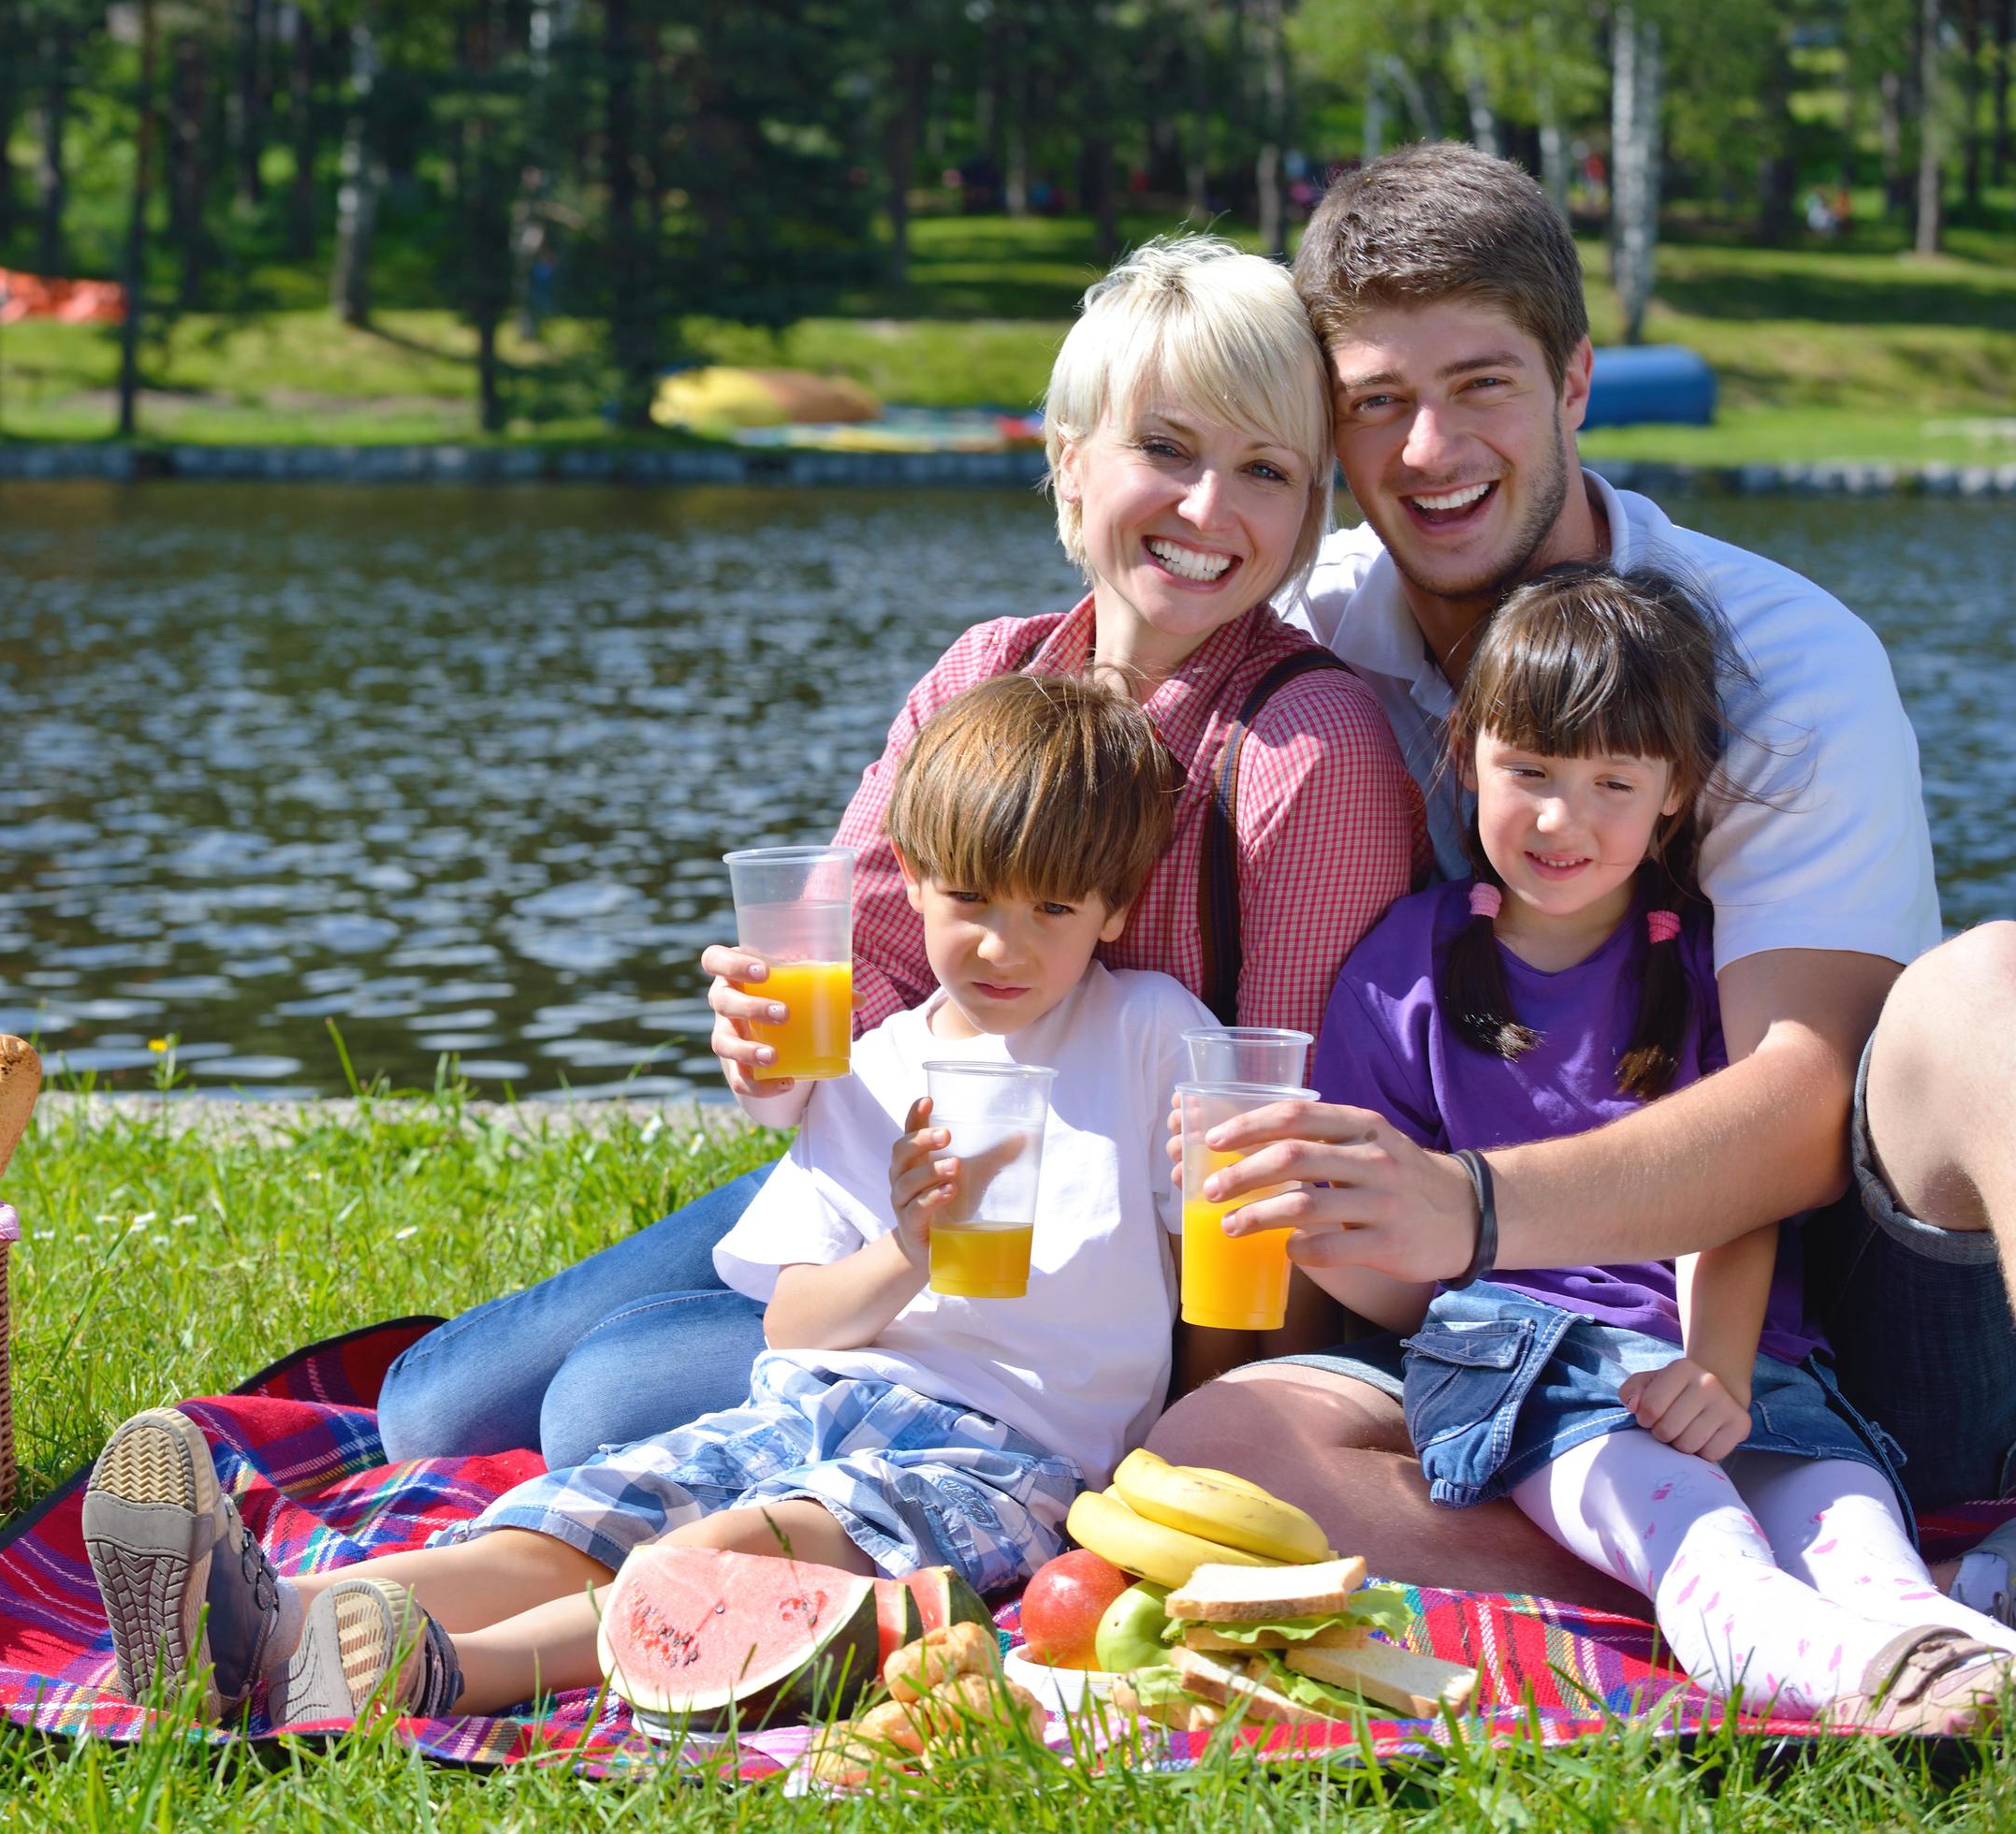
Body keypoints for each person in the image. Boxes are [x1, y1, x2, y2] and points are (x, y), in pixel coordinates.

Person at [1146, 141, 2016, 1627]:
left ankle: (1842, 1536)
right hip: (1507, 1359)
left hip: (1825, 1335)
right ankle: (1832, 1597)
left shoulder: (1781, 656)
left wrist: (1469, 1209)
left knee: (1992, 984)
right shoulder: (1311, 646)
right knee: (1214, 1458)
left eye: (1480, 383)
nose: (1428, 450)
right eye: (1376, 403)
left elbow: (1805, 1103)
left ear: (1573, 384)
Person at [373, 237, 1420, 1468]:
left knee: (600, 1409)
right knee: (427, 1415)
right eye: (1166, 448)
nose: (1207, 508)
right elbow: (849, 985)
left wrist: (1179, 1452)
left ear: (1307, 517)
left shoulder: (1307, 745)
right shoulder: (988, 672)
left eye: (1266, 471)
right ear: (1069, 460)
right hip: (906, 1195)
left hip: (1091, 1306)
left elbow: (1274, 1164)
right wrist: (764, 1050)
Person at [85, 673, 1210, 1719]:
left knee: (721, 1555)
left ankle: (443, 1672)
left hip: (1006, 1457)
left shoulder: (1151, 1031)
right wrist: (906, 1251)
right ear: (909, 874)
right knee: (581, 1518)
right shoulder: (871, 1069)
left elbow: (1216, 1247)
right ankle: (253, 1623)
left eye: (1052, 911)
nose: (1000, 944)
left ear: (1116, 909)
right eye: (968, 896)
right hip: (813, 1398)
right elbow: (794, 1322)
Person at [1279, 562, 2016, 1730]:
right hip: (1528, 1364)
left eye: (1610, 783)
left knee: (1855, 1532)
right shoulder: (1403, 971)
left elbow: (1738, 1193)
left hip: (1740, 1356)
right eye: (1526, 770)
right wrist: (1298, 1215)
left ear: (1675, 793)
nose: (1558, 818)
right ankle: (1863, 1683)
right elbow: (1399, 1287)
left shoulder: (1702, 968)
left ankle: (1947, 1649)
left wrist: (1722, 1369)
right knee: (1701, 1536)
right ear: (1467, 751)